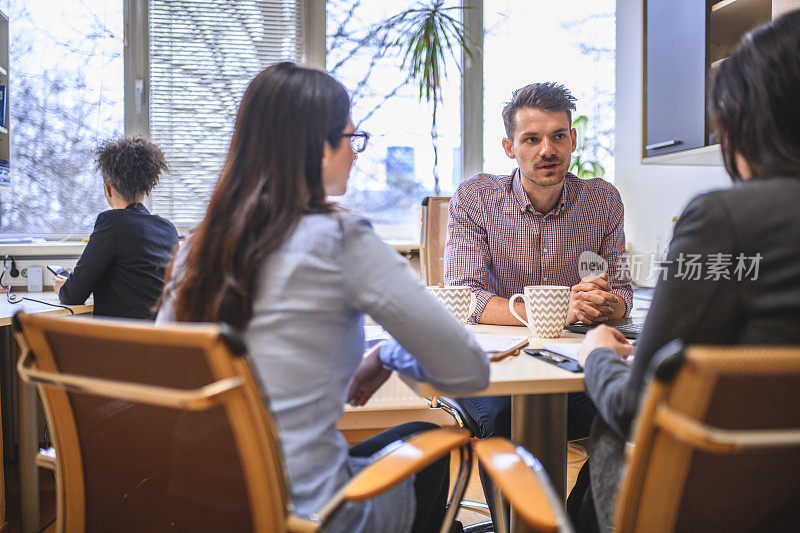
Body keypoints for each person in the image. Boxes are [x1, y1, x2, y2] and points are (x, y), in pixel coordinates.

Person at [156, 61, 489, 533]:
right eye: (351, 140)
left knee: (410, 436)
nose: (356, 155)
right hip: (308, 517)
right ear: (318, 147)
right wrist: (389, 355)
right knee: (429, 447)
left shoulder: (195, 249)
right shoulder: (339, 238)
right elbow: (468, 369)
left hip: (201, 507)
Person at [575, 9, 800, 531]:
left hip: (725, 508)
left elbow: (636, 407)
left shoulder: (726, 219)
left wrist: (597, 356)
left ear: (750, 123)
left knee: (609, 428)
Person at [444, 82, 632, 442]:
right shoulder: (475, 198)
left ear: (573, 139)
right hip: (492, 366)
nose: (548, 150)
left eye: (558, 136)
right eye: (531, 139)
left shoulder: (603, 200)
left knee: (620, 414)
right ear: (509, 148)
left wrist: (603, 303)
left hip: (569, 360)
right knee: (505, 420)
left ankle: (576, 503)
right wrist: (560, 310)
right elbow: (465, 296)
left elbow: (622, 290)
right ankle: (522, 502)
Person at [54, 136, 178, 318]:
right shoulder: (168, 229)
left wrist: (61, 288)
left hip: (122, 342)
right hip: (160, 340)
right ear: (147, 188)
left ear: (108, 189)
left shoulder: (112, 223)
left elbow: (72, 295)